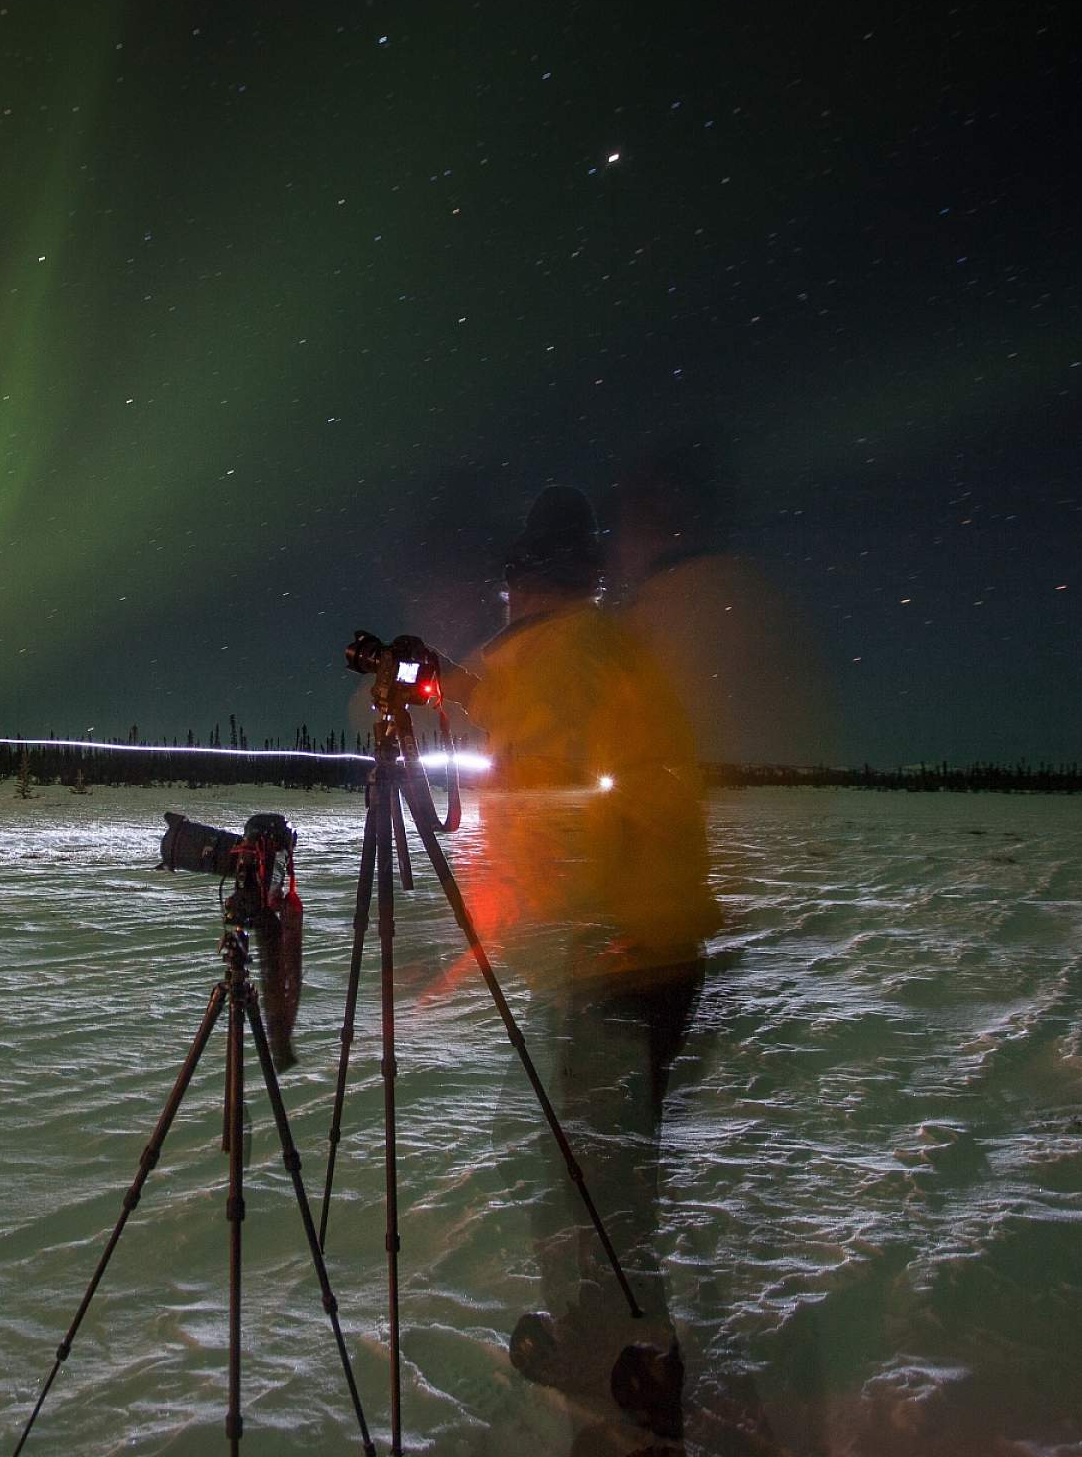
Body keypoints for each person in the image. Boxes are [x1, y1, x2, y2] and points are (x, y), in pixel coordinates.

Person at [456, 484, 723, 1450]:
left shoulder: (561, 656)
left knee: (594, 1183)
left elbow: (570, 790)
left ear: (529, 583)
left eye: (513, 586)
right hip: (638, 945)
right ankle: (604, 1345)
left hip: (612, 954)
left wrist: (574, 922)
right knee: (596, 1172)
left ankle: (636, 1373)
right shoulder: (593, 651)